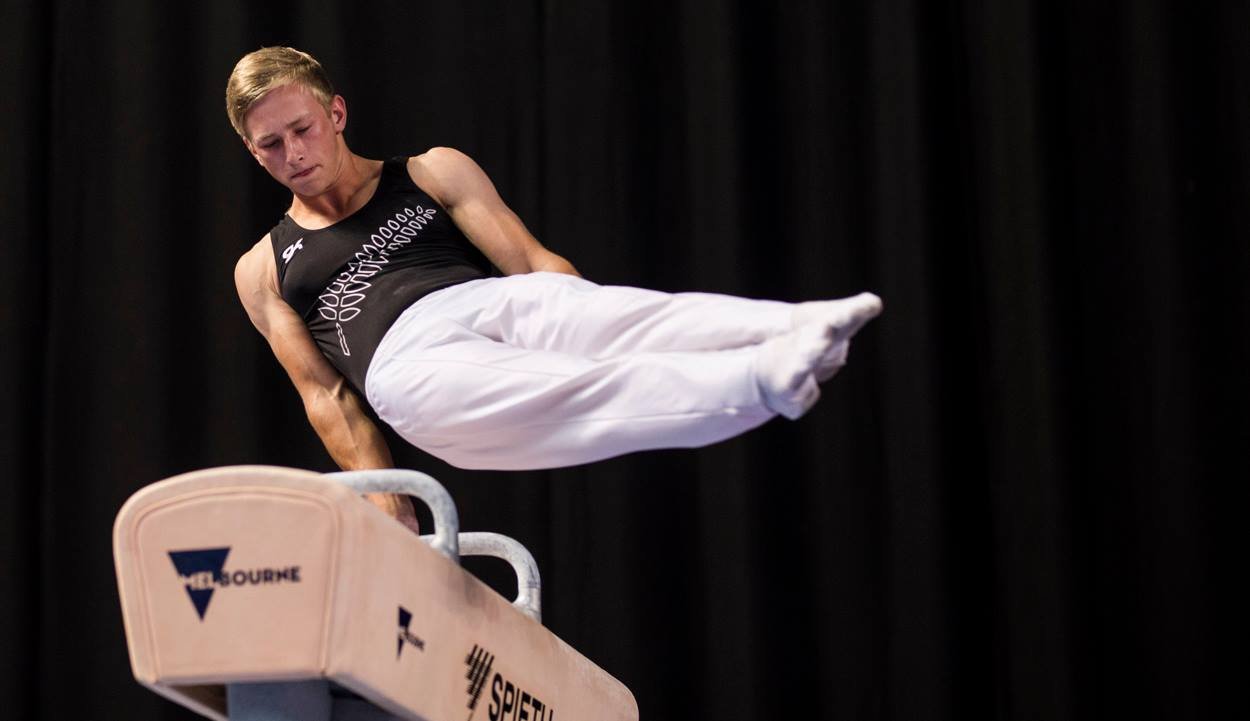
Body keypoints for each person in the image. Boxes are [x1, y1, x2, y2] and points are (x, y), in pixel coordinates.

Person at [227, 47, 882, 525]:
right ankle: (760, 378)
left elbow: (535, 265)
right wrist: (391, 509)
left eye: (302, 129)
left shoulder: (430, 172)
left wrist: (584, 318)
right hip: (408, 368)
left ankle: (792, 326)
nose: (294, 154)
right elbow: (329, 397)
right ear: (253, 152)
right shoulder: (264, 269)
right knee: (579, 394)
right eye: (271, 144)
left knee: (590, 310)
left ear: (336, 112)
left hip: (484, 303)